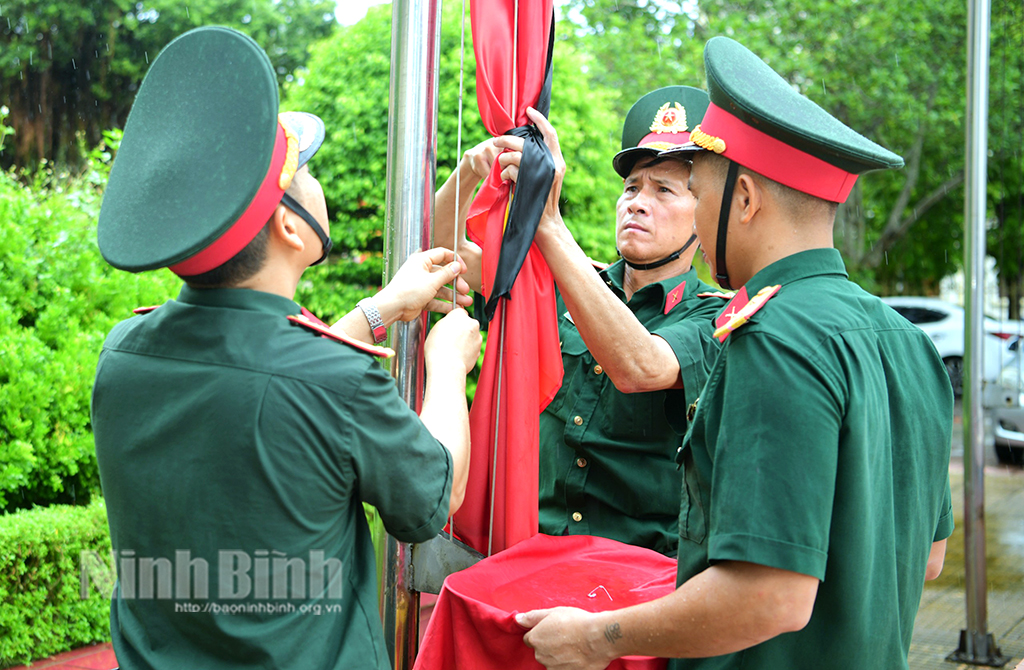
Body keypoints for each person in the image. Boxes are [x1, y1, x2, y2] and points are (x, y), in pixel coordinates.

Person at [515, 36, 954, 670]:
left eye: (698, 190)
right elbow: (928, 556)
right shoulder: (907, 341)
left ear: (744, 200)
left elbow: (770, 595)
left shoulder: (772, 336)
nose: (691, 207)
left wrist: (593, 638)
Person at [91, 27, 481, 670]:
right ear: (290, 226)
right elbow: (434, 499)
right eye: (306, 172)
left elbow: (261, 371)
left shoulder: (125, 349)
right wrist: (444, 364)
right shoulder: (333, 380)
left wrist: (379, 311)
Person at [435, 87, 726, 556]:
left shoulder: (715, 316)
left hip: (637, 576)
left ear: (703, 214)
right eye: (631, 187)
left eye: (664, 190)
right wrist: (470, 172)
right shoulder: (560, 281)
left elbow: (642, 367)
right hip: (527, 553)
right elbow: (439, 254)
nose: (637, 202)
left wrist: (547, 223)